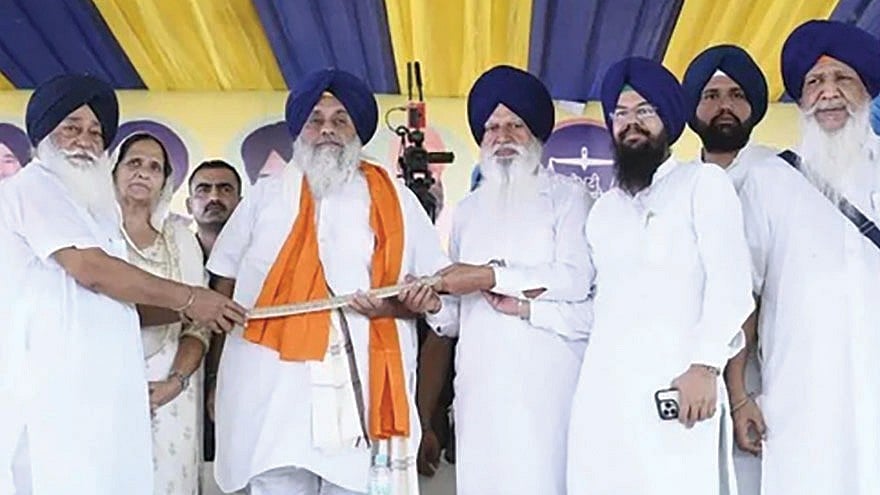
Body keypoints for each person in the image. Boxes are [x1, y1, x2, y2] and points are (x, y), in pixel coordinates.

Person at [207, 68, 449, 495]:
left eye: (340, 119)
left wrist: (406, 302)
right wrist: (214, 379)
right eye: (316, 119)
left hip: (365, 396)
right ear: (300, 130)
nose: (327, 130)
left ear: (358, 131)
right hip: (273, 395)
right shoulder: (264, 198)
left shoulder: (399, 199)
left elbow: (438, 292)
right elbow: (221, 284)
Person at [0, 74, 245, 495]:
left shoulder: (94, 211)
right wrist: (189, 297)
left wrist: (204, 309)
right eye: (71, 127)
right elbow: (92, 271)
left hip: (104, 397)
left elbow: (117, 305)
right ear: (44, 134)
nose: (85, 140)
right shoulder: (33, 187)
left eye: (96, 132)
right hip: (54, 396)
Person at [565, 57, 753, 494]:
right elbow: (596, 305)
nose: (632, 124)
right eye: (622, 114)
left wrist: (706, 366)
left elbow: (732, 286)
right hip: (604, 395)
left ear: (668, 120)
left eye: (645, 112)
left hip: (679, 391)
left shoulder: (702, 183)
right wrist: (527, 307)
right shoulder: (604, 211)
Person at [427, 65, 593, 495]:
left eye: (515, 125)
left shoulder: (569, 197)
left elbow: (575, 280)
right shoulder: (466, 211)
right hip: (480, 390)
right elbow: (456, 320)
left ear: (536, 135)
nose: (502, 136)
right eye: (492, 127)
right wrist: (430, 302)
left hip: (549, 386)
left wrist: (489, 276)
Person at [735, 20, 880, 494]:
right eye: (814, 83)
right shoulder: (770, 181)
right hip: (803, 401)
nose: (829, 94)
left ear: (867, 90)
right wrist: (739, 398)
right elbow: (742, 299)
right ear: (799, 100)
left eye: (843, 79)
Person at [681, 44, 776, 495]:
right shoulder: (674, 185)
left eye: (736, 94)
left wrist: (738, 395)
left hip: (761, 373)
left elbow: (748, 288)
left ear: (753, 106)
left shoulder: (779, 175)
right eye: (711, 94)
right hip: (689, 374)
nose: (723, 105)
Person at [113, 132, 211, 494]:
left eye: (154, 167)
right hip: (102, 385)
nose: (143, 173)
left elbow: (201, 323)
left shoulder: (181, 239)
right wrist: (182, 306)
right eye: (134, 163)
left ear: (165, 182)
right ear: (114, 171)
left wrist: (176, 381)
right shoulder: (95, 234)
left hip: (172, 392)